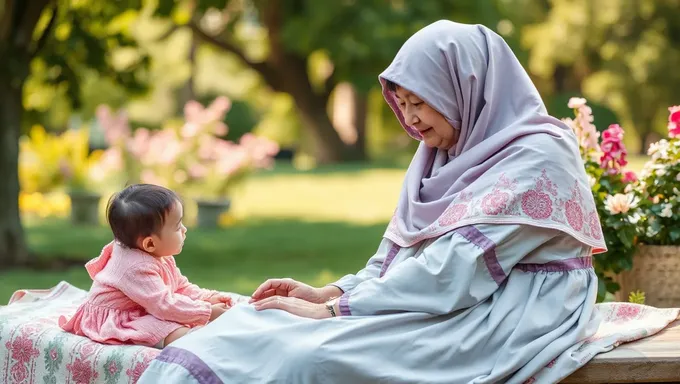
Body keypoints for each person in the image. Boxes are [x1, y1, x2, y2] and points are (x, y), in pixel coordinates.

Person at [140, 20, 614, 383]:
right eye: (402, 104)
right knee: (253, 323)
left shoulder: (539, 154)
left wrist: (335, 313)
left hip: (509, 311)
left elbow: (455, 273)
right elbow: (402, 255)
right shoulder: (443, 152)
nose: (410, 119)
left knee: (315, 353)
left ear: (465, 87)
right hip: (449, 296)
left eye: (421, 102)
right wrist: (334, 293)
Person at [60, 184, 233, 349]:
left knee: (177, 317)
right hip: (117, 317)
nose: (185, 229)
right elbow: (165, 305)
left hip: (144, 305)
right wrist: (208, 312)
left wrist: (207, 298)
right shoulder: (136, 268)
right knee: (174, 331)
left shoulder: (157, 255)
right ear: (150, 243)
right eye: (178, 226)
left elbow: (180, 286)